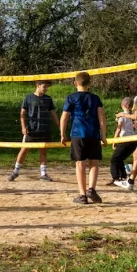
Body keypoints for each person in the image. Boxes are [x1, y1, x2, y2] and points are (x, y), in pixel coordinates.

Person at [58, 70, 107, 204]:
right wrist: (103, 135)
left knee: (80, 164)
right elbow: (102, 118)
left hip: (78, 134)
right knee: (94, 162)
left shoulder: (71, 98)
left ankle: (82, 195)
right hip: (93, 134)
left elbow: (64, 118)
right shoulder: (95, 98)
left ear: (75, 83)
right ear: (89, 84)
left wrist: (62, 134)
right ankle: (91, 189)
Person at [9, 80, 58, 182]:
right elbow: (22, 114)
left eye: (47, 87)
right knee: (24, 150)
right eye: (44, 86)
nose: (46, 89)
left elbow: (53, 114)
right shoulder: (28, 98)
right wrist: (23, 127)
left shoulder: (48, 99)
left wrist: (60, 127)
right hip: (31, 130)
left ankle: (43, 174)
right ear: (38, 85)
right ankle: (15, 171)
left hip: (44, 129)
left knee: (43, 151)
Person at [110, 96, 137, 189]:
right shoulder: (133, 115)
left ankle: (115, 179)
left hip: (125, 140)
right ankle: (123, 177)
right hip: (134, 141)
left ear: (123, 105)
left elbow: (119, 129)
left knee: (114, 160)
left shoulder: (122, 115)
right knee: (120, 158)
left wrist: (114, 140)